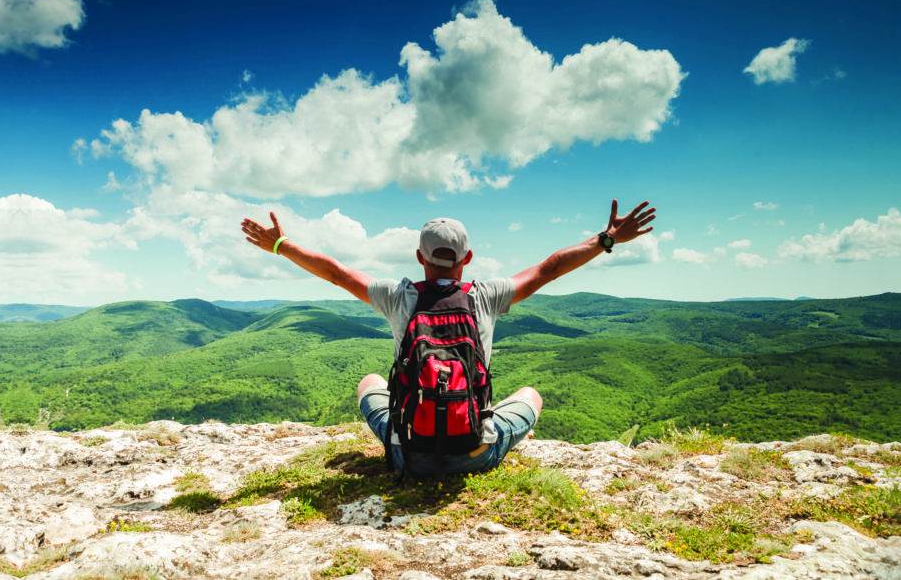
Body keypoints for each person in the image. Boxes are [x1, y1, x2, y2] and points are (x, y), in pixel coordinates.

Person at [241, 198, 656, 476]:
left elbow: (336, 273)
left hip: (408, 456)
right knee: (530, 394)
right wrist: (606, 239)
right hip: (475, 454)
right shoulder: (487, 296)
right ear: (468, 259)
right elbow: (548, 269)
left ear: (420, 258)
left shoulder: (397, 296)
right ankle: (494, 435)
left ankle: (417, 436)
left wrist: (281, 244)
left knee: (369, 382)